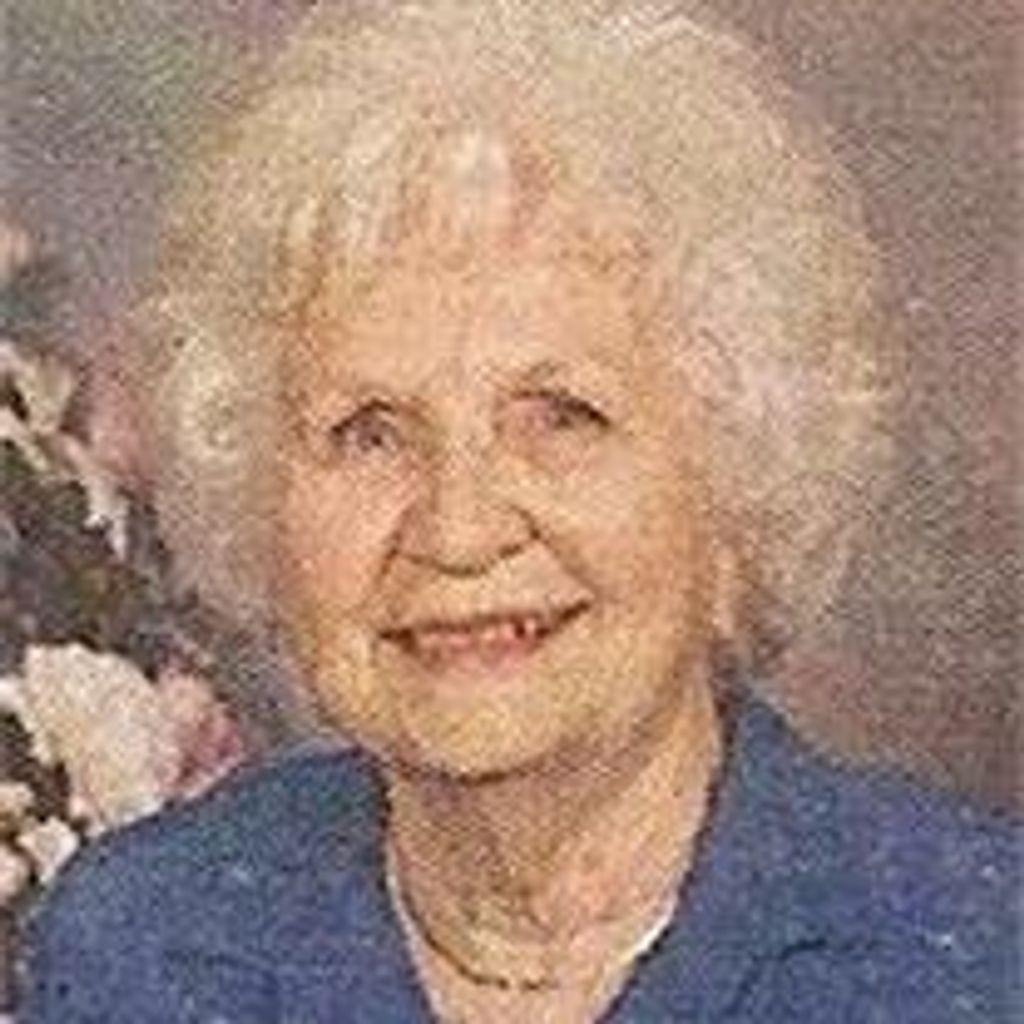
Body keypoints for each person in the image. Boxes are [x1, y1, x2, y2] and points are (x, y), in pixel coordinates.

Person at [20, 2, 1018, 1020]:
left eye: (561, 418)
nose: (458, 531)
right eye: (369, 432)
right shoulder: (141, 946)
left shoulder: (977, 955)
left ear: (735, 484)